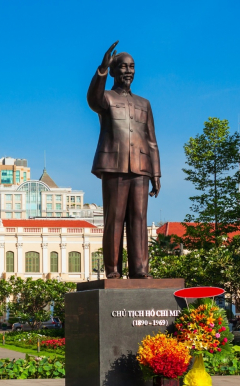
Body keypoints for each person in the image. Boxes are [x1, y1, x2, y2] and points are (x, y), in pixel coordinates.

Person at [87, 41, 161, 278]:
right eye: (123, 67)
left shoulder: (144, 103)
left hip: (141, 168)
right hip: (114, 166)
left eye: (132, 67)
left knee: (139, 219)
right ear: (114, 70)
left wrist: (156, 174)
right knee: (115, 219)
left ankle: (140, 270)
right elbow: (93, 100)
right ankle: (113, 270)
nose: (128, 71)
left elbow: (151, 140)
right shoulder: (106, 98)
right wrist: (102, 69)